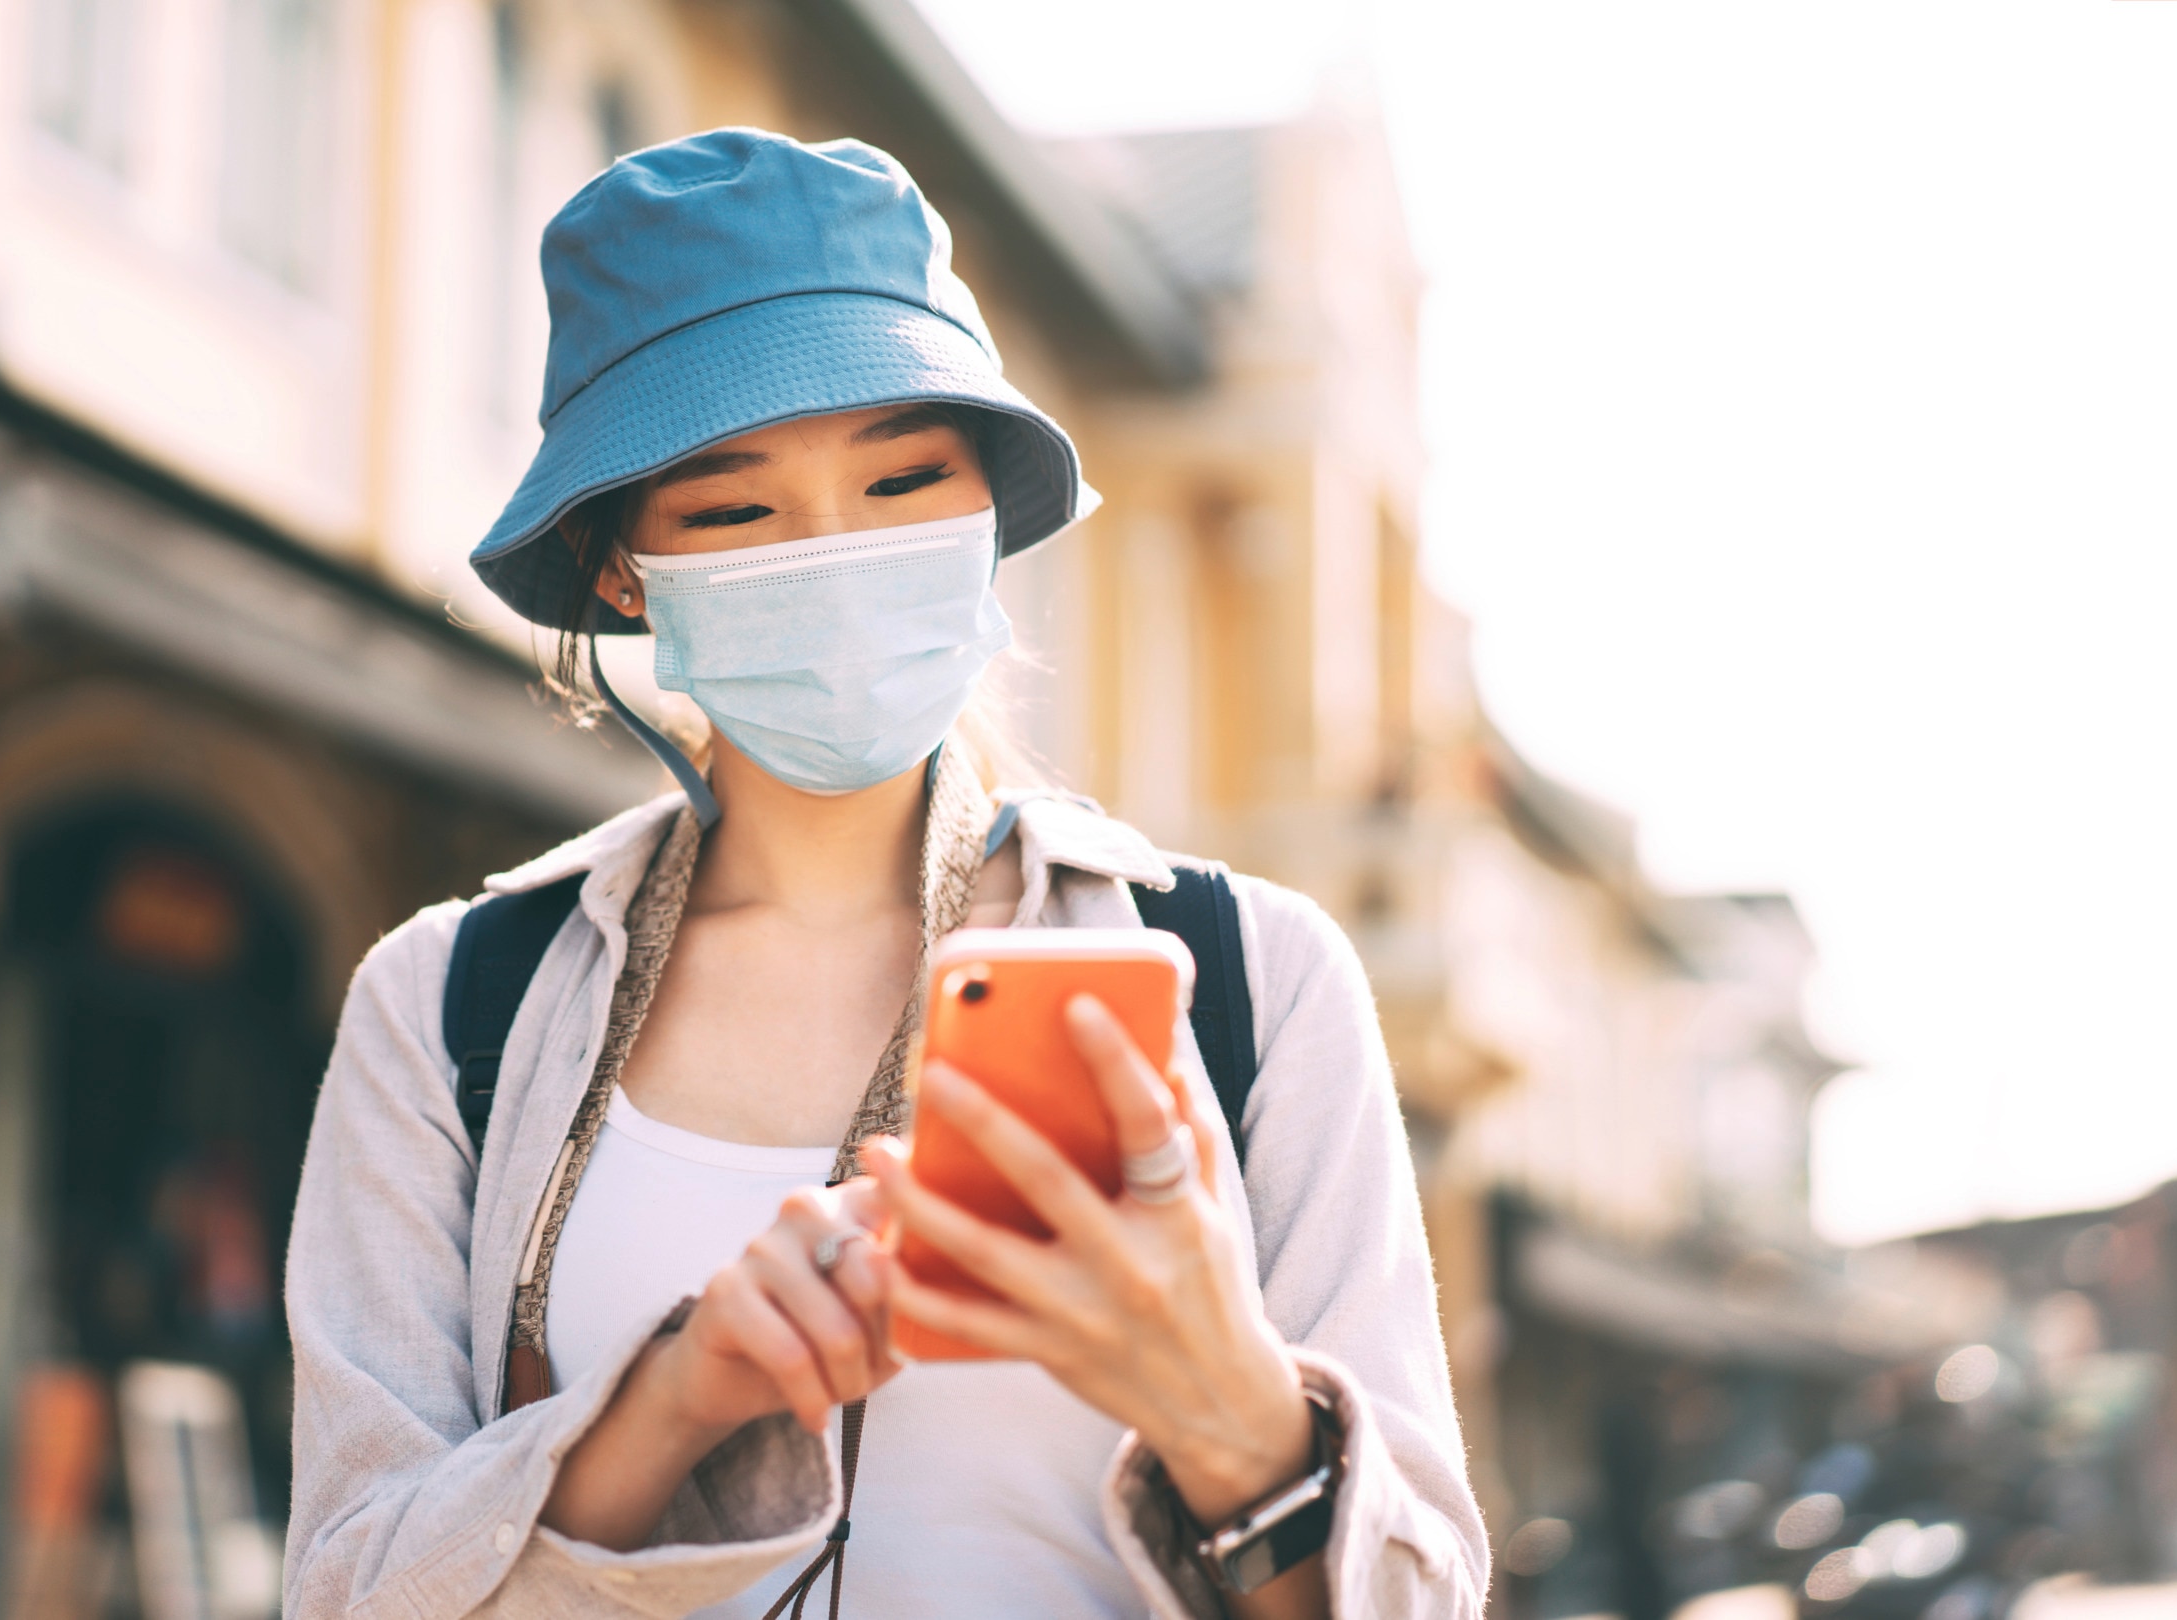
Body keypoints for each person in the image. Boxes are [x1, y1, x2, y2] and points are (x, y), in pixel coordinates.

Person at [282, 128, 1486, 1619]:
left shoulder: (1254, 980)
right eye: (733, 508)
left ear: (988, 512)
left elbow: (1423, 1593)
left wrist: (1233, 1409)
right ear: (618, 572)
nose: (836, 555)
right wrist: (675, 1397)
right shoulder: (447, 1007)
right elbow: (349, 1587)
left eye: (905, 478)